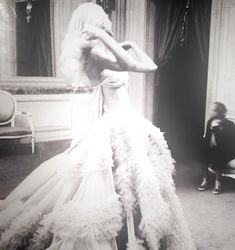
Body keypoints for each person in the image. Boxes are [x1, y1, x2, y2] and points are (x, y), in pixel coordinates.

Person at [0, 3, 195, 250]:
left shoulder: (102, 52)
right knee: (109, 185)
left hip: (127, 121)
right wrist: (106, 38)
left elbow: (151, 66)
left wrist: (131, 44)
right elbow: (132, 66)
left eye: (105, 24)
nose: (106, 26)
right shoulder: (92, 53)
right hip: (113, 125)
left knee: (131, 184)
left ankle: (132, 232)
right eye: (101, 23)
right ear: (90, 26)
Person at [198, 102, 235, 194]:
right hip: (213, 148)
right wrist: (210, 128)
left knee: (218, 154)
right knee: (203, 155)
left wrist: (215, 129)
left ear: (219, 112)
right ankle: (204, 180)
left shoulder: (229, 125)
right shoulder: (210, 121)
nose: (210, 112)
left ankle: (218, 182)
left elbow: (223, 143)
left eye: (212, 110)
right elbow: (207, 139)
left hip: (226, 150)